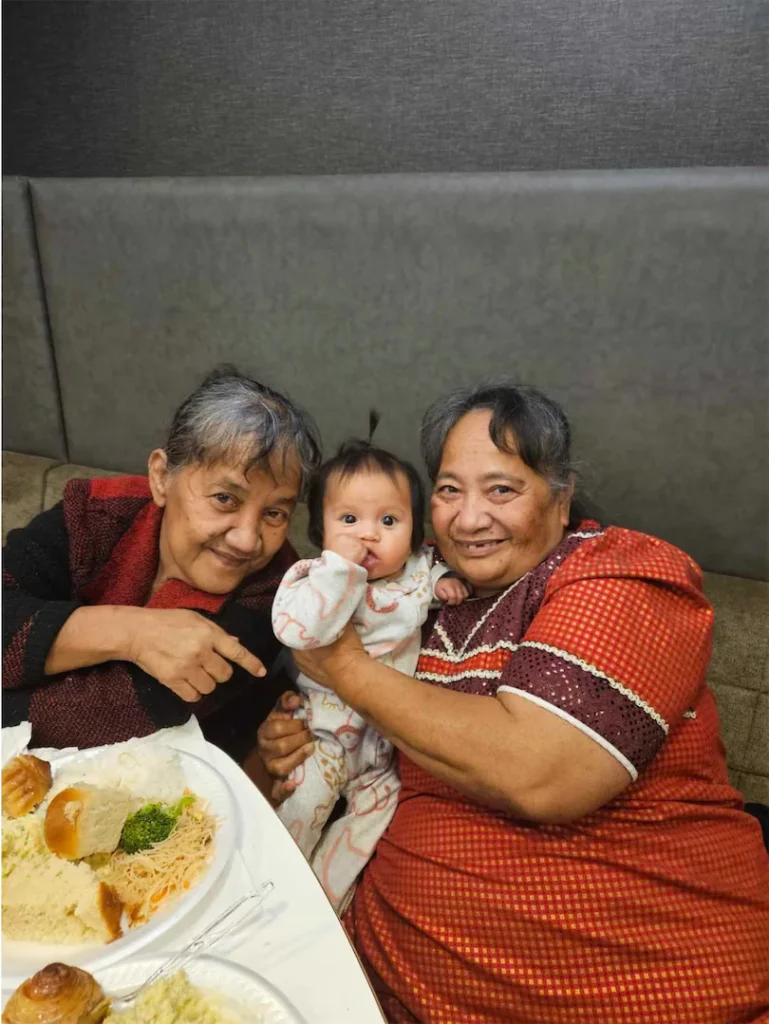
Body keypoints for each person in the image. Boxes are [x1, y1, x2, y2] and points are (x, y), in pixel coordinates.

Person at [259, 381, 769, 1024]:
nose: (469, 518)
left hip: (656, 993)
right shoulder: (417, 603)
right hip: (367, 985)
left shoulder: (614, 574)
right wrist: (294, 732)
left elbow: (542, 771)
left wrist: (345, 668)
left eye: (502, 489)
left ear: (560, 499)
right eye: (449, 491)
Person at [2, 366, 320, 760]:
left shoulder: (278, 597)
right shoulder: (96, 513)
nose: (247, 539)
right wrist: (133, 633)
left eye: (274, 514)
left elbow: (97, 719)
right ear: (160, 478)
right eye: (225, 498)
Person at [271, 430, 468, 911]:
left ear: (415, 529)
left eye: (388, 520)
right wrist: (342, 569)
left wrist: (444, 582)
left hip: (387, 746)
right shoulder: (312, 578)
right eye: (349, 519)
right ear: (319, 531)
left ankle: (323, 904)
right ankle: (272, 892)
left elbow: (432, 569)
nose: (368, 534)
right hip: (324, 735)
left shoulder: (418, 573)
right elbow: (298, 631)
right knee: (299, 812)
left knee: (366, 828)